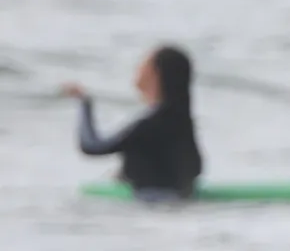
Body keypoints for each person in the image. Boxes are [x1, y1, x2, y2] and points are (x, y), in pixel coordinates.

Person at [61, 45, 204, 200]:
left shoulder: (148, 125)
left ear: (155, 75)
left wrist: (85, 104)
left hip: (149, 204)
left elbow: (91, 147)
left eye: (143, 65)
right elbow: (196, 168)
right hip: (180, 199)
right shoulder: (182, 124)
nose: (138, 70)